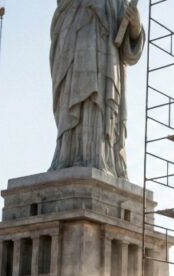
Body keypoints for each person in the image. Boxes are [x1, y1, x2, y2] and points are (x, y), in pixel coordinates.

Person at [49, 0, 145, 178]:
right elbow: (58, 31)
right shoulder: (67, 5)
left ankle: (100, 157)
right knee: (72, 109)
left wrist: (136, 26)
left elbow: (127, 50)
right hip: (72, 62)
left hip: (104, 69)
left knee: (98, 113)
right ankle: (67, 156)